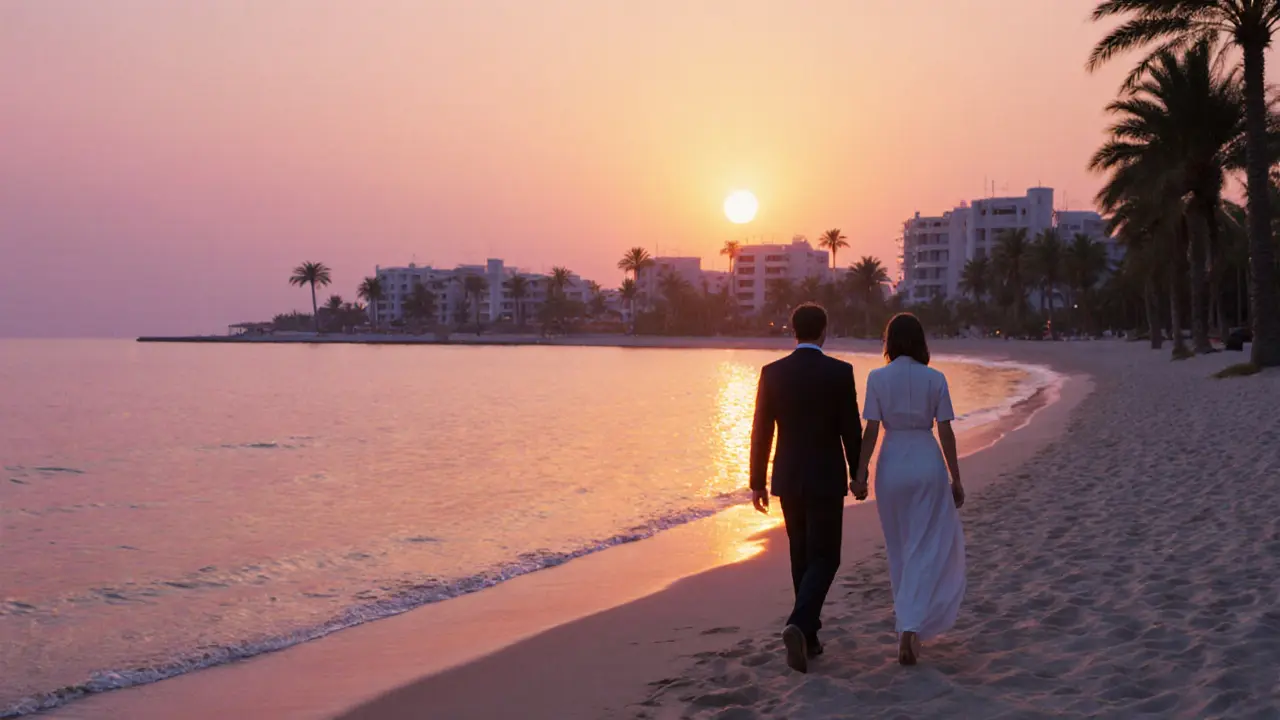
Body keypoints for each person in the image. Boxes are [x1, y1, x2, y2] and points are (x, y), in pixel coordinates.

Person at [750, 303, 864, 673]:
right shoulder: (839, 372)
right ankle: (800, 625)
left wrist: (757, 483)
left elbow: (761, 431)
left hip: (788, 477)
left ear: (793, 331)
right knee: (826, 556)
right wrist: (858, 473)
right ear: (824, 331)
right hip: (827, 477)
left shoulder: (773, 373)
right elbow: (850, 428)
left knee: (801, 555)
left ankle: (809, 638)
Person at [854, 313, 966, 666]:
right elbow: (945, 431)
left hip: (892, 466)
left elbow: (870, 431)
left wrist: (859, 475)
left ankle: (908, 625)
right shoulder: (935, 378)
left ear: (889, 342)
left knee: (899, 546)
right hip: (926, 461)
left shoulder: (877, 377)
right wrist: (956, 477)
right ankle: (910, 627)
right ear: (920, 341)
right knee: (925, 544)